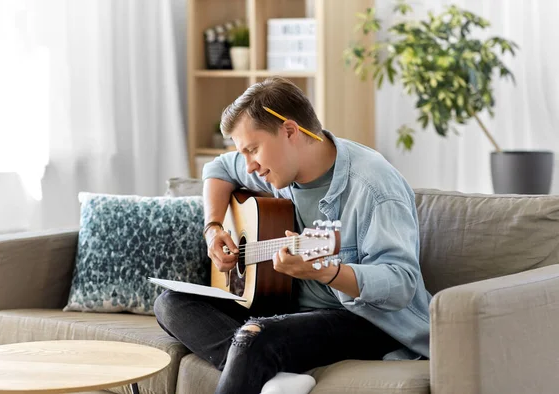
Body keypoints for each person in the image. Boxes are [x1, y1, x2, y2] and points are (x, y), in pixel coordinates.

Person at [154, 76, 432, 394]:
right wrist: (213, 228)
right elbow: (217, 169)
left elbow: (402, 283)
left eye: (253, 150)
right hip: (288, 306)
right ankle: (271, 374)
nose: (250, 166)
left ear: (289, 131)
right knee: (171, 303)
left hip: (365, 319)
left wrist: (329, 272)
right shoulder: (279, 164)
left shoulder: (374, 186)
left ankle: (258, 360)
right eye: (242, 153)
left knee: (255, 337)